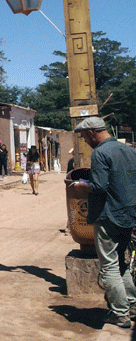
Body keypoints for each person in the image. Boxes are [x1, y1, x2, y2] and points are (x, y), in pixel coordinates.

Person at [71, 116, 136, 328]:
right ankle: (132, 306)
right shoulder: (128, 150)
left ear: (91, 133)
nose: (84, 140)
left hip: (108, 216)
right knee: (121, 264)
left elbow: (98, 186)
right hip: (128, 215)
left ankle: (120, 314)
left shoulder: (100, 153)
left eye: (83, 136)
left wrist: (81, 186)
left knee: (109, 266)